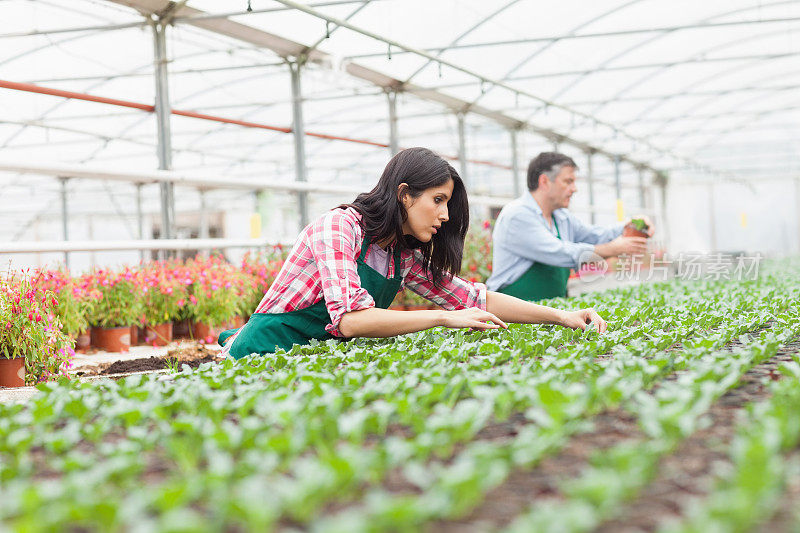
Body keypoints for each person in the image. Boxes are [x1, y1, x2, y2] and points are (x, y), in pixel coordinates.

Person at [220, 147, 607, 359]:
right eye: (437, 200)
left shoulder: (401, 256)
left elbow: (473, 297)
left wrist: (561, 317)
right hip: (263, 352)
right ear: (404, 194)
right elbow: (351, 321)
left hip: (310, 359)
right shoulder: (340, 227)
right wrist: (443, 318)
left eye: (448, 203)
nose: (444, 214)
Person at [486, 152, 653, 301]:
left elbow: (596, 235)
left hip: (550, 310)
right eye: (568, 181)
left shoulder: (561, 217)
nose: (574, 189)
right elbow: (560, 252)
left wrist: (633, 223)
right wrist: (611, 249)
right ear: (544, 181)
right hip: (510, 317)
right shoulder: (517, 215)